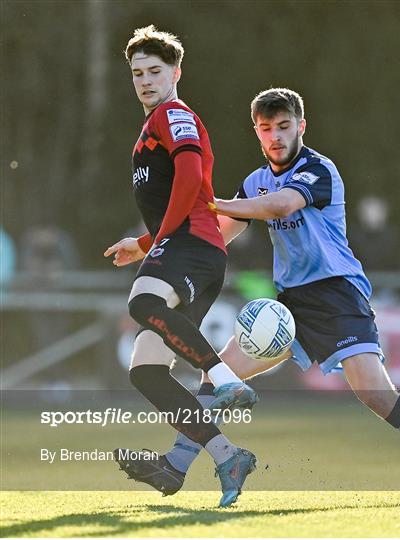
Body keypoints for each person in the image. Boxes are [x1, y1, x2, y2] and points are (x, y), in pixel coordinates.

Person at [117, 88, 400, 504]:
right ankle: (176, 467)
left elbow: (279, 206)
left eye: (283, 126)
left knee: (375, 394)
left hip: (337, 295)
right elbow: (219, 233)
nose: (275, 136)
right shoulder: (256, 181)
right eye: (265, 129)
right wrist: (152, 245)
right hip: (290, 304)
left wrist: (214, 201)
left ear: (301, 125)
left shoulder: (317, 169)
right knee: (217, 372)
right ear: (256, 133)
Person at [103, 25, 257, 507]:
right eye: (137, 73)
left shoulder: (174, 114)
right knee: (146, 372)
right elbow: (181, 192)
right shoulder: (152, 125)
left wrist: (160, 240)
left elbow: (192, 178)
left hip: (192, 246)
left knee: (143, 300)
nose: (145, 80)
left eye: (155, 71)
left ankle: (225, 380)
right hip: (188, 248)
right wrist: (145, 241)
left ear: (176, 73)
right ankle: (227, 456)